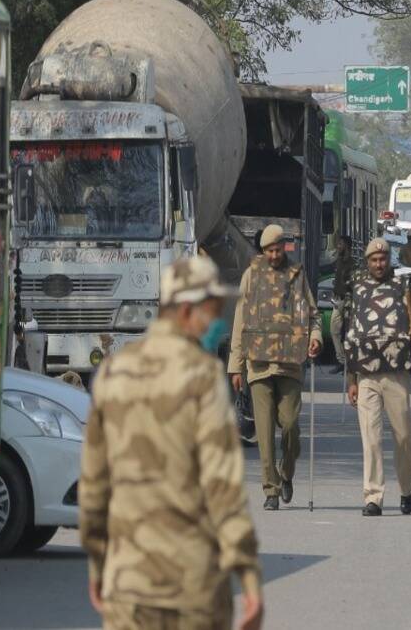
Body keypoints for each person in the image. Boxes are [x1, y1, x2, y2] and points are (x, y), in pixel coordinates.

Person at [81, 255, 263, 630]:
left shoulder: (114, 372)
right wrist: (247, 574)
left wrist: (98, 563)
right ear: (185, 310)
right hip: (193, 584)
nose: (217, 322)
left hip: (128, 583)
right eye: (212, 311)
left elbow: (94, 483)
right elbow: (222, 484)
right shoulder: (203, 376)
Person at [229, 224, 323, 511]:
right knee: (265, 431)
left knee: (291, 425)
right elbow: (240, 322)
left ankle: (287, 471)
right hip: (259, 366)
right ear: (263, 250)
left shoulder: (297, 275)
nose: (274, 255)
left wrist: (316, 338)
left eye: (278, 249)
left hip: (290, 365)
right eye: (269, 250)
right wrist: (236, 366)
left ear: (285, 247)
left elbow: (313, 315)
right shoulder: (251, 276)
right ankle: (270, 489)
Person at [343, 238, 411, 517]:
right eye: (374, 260)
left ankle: (406, 489)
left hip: (397, 373)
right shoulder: (357, 288)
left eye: (383, 259)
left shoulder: (403, 286)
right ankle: (373, 497)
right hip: (366, 374)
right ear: (367, 262)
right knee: (370, 438)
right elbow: (351, 335)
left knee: (402, 437)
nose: (379, 264)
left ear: (389, 259)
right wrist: (351, 380)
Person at [330, 235, 355, 374]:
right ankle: (341, 361)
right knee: (334, 330)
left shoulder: (352, 263)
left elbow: (352, 284)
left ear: (347, 246)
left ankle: (349, 364)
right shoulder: (338, 261)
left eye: (340, 244)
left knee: (347, 333)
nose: (338, 246)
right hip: (337, 300)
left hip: (347, 302)